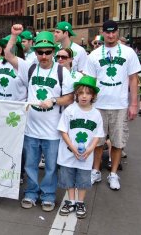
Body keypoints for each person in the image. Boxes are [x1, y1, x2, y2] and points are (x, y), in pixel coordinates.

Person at [9, 27, 74, 212]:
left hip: (53, 130)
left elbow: (69, 98)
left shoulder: (62, 72)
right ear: (35, 52)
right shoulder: (29, 67)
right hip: (31, 128)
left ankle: (48, 195)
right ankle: (31, 193)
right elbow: (8, 55)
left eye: (47, 52)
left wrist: (53, 100)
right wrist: (14, 35)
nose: (44, 56)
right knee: (30, 165)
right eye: (40, 52)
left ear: (53, 51)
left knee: (51, 167)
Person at [84, 20, 141, 190]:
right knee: (98, 142)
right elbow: (90, 81)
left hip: (119, 105)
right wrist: (87, 103)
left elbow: (133, 79)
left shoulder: (128, 52)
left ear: (117, 32)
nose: (110, 35)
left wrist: (133, 104)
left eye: (113, 32)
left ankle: (113, 173)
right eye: (107, 32)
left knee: (117, 142)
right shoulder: (94, 55)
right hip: (98, 105)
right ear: (103, 32)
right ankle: (95, 171)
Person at [57, 76, 104, 219]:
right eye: (81, 93)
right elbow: (63, 131)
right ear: (76, 94)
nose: (84, 96)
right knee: (68, 178)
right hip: (68, 153)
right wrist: (72, 147)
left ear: (93, 96)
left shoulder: (96, 114)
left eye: (88, 93)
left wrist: (90, 150)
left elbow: (97, 135)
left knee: (83, 180)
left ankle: (80, 202)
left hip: (85, 155)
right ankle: (71, 201)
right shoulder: (70, 110)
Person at [0, 33, 29, 101]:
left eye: (9, 46)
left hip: (17, 107)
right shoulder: (0, 63)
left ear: (17, 48)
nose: (6, 49)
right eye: (4, 47)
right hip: (0, 105)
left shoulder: (25, 64)